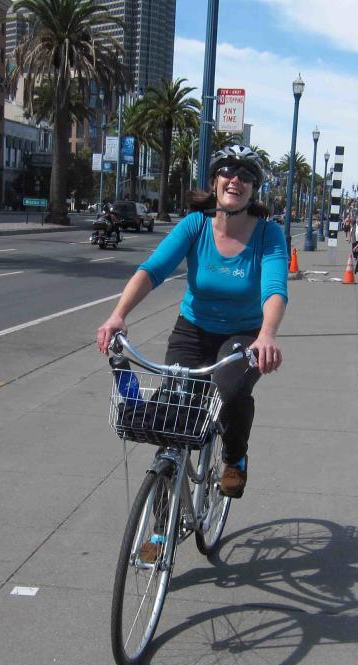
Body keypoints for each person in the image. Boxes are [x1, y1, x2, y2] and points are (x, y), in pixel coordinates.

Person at [96, 144, 288, 507]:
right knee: (175, 411)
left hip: (244, 334)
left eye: (246, 174)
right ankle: (158, 529)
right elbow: (153, 270)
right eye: (228, 171)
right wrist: (118, 314)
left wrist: (267, 335)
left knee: (230, 392)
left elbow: (274, 288)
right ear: (215, 180)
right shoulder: (195, 225)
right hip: (193, 328)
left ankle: (234, 458)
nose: (236, 179)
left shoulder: (268, 234)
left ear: (254, 187)